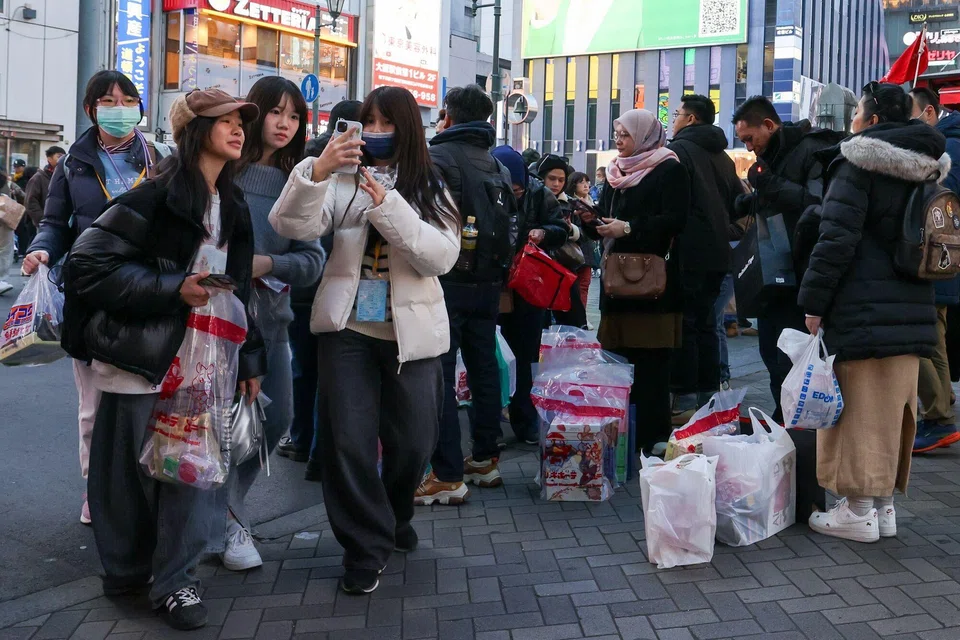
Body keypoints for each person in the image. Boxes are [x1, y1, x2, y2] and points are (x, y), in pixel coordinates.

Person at [62, 88, 265, 629]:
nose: (239, 127)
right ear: (195, 130)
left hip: (207, 363)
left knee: (186, 473)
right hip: (141, 358)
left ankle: (177, 581)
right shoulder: (154, 196)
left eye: (242, 120)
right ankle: (127, 571)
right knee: (123, 479)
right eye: (224, 120)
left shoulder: (235, 202)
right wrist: (173, 287)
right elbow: (87, 264)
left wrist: (250, 359)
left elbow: (238, 288)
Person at [269, 86, 460, 594]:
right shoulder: (337, 179)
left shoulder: (430, 184)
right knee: (348, 442)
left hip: (411, 335)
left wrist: (387, 206)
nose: (374, 133)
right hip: (347, 329)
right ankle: (365, 547)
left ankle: (392, 515)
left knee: (415, 440)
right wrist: (317, 171)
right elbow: (290, 222)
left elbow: (440, 258)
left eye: (385, 123)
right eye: (366, 122)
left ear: (407, 128)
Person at [21, 70, 168, 524]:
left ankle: (149, 486)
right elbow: (54, 222)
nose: (119, 107)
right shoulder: (72, 164)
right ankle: (97, 491)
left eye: (128, 99)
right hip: (90, 294)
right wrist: (40, 248)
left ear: (140, 107)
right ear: (91, 109)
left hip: (149, 292)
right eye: (108, 100)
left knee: (151, 398)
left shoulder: (161, 158)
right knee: (93, 407)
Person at [799, 82, 942, 542]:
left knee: (858, 409)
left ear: (873, 119)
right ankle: (883, 510)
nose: (853, 119)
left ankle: (857, 511)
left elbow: (836, 238)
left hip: (861, 306)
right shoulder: (928, 169)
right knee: (895, 409)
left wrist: (814, 302)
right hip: (914, 305)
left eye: (858, 110)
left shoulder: (857, 162)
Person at [211, 77, 325, 571]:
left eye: (295, 116)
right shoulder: (221, 170)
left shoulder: (297, 182)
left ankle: (230, 511)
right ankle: (212, 521)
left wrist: (266, 265)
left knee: (272, 421)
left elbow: (312, 260)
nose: (285, 124)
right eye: (276, 112)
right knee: (208, 425)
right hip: (209, 323)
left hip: (271, 323)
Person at [415, 85, 517, 505]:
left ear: (448, 117)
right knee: (483, 367)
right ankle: (486, 458)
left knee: (439, 373)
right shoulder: (496, 164)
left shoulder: (438, 157)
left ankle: (446, 472)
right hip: (489, 281)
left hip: (447, 280)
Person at [579, 109, 689, 454]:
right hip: (617, 284)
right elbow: (610, 222)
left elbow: (676, 218)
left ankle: (653, 437)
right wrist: (590, 221)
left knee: (652, 365)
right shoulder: (615, 173)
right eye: (617, 133)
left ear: (643, 136)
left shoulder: (670, 168)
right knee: (617, 360)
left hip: (653, 285)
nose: (618, 140)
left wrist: (628, 227)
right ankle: (622, 433)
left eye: (625, 134)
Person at [732, 96, 841, 422]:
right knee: (769, 351)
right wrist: (750, 201)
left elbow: (817, 204)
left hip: (800, 272)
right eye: (743, 142)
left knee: (790, 356)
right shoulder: (772, 158)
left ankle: (794, 424)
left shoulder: (810, 150)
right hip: (771, 272)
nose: (750, 148)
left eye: (751, 138)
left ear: (768, 125)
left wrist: (769, 185)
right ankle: (784, 421)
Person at [287, 100, 362, 481]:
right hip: (335, 278)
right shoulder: (330, 164)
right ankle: (315, 449)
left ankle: (303, 439)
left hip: (305, 281)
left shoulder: (306, 159)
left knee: (306, 369)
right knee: (327, 371)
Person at [667, 94, 742, 422]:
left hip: (688, 253)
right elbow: (740, 203)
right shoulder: (724, 158)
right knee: (708, 324)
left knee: (685, 324)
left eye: (678, 113)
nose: (674, 119)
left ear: (692, 118)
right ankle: (710, 395)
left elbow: (672, 203)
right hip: (720, 254)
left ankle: (683, 401)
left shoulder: (679, 151)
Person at [491, 145, 567, 444]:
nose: (514, 194)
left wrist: (543, 233)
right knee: (492, 357)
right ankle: (490, 425)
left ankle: (525, 423)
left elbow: (559, 227)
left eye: (518, 190)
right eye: (509, 189)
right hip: (493, 283)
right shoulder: (487, 187)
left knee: (525, 356)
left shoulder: (539, 193)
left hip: (527, 286)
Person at [910, 87, 960, 453]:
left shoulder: (948, 151)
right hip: (944, 261)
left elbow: (941, 211)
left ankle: (939, 415)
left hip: (938, 260)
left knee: (926, 338)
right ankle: (941, 409)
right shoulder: (947, 145)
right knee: (934, 337)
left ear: (929, 113)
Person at [536, 154, 586, 328]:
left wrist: (571, 229)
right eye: (552, 179)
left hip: (564, 269)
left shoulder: (571, 204)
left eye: (561, 180)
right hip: (537, 270)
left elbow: (585, 236)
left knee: (572, 321)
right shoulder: (532, 199)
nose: (556, 184)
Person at [566, 170, 600, 311]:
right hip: (571, 251)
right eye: (581, 182)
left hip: (587, 250)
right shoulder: (570, 203)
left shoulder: (592, 202)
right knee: (572, 285)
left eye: (587, 182)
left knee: (584, 284)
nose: (586, 185)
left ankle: (582, 315)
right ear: (573, 185)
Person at [22, 147, 66, 255]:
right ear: (49, 159)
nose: (62, 159)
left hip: (62, 223)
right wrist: (42, 219)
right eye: (59, 156)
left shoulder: (64, 175)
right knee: (42, 252)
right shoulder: (38, 178)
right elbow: (30, 202)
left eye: (64, 156)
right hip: (45, 224)